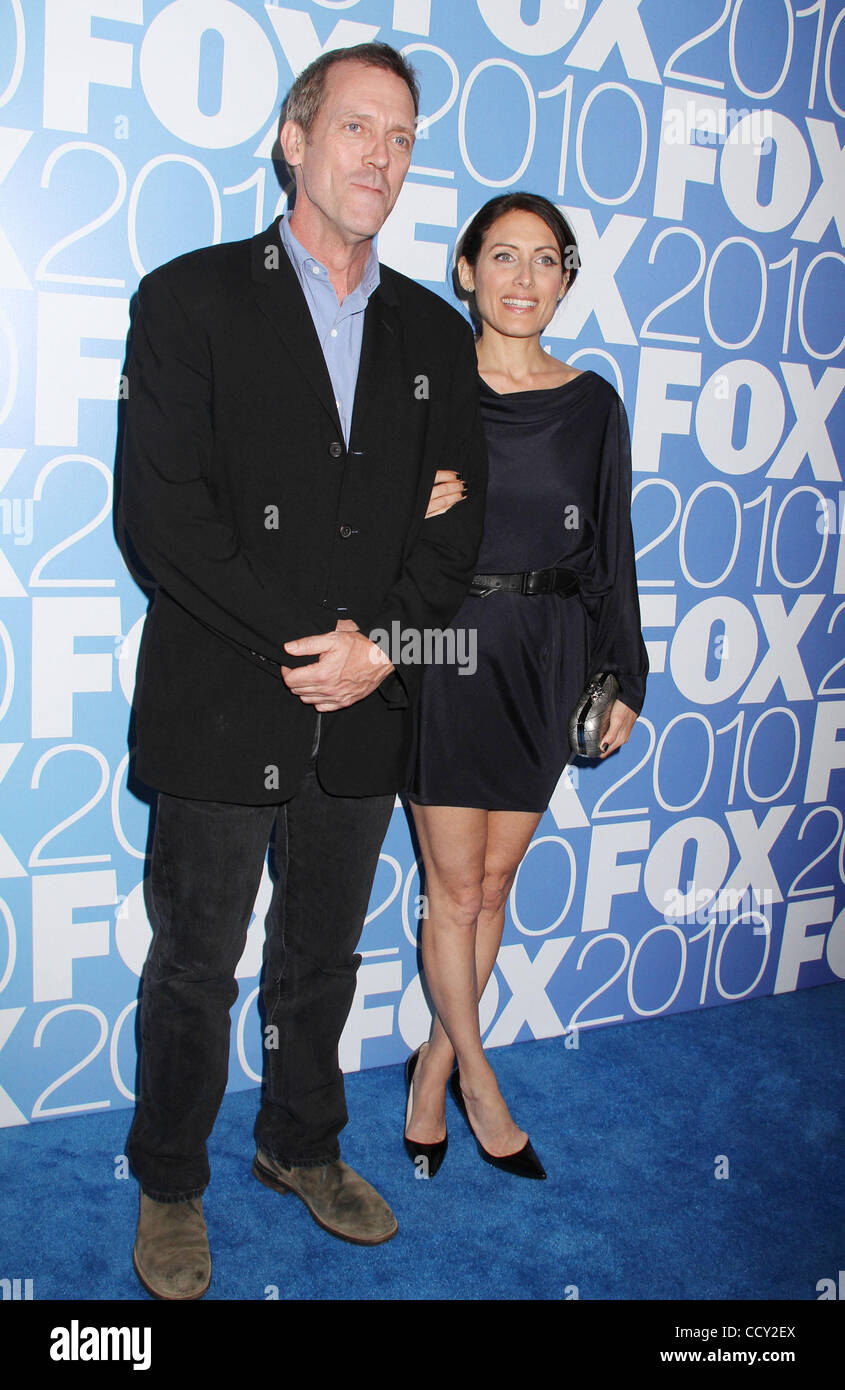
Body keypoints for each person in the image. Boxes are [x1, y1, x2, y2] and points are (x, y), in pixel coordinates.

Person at [117, 42, 487, 1299]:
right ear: (294, 138)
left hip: (364, 708)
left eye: (402, 138)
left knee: (320, 956)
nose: (380, 156)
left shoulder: (436, 337)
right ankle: (169, 1178)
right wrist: (311, 643)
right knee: (193, 962)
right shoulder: (191, 300)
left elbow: (455, 528)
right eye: (356, 128)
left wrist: (379, 646)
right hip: (222, 698)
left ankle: (299, 1144)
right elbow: (163, 520)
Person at [402, 193, 648, 1180]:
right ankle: (476, 1082)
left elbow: (611, 551)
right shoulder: (422, 388)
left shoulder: (591, 401)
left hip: (548, 655)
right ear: (465, 271)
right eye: (500, 257)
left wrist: (622, 670)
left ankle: (429, 1067)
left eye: (544, 261)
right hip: (448, 651)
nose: (521, 279)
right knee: (453, 888)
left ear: (564, 279)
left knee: (494, 885)